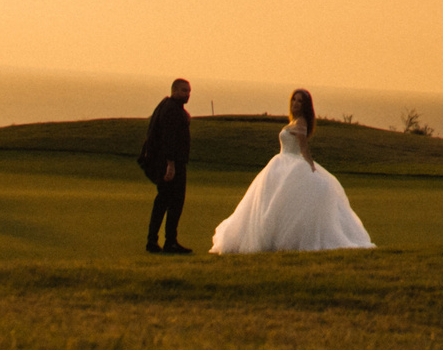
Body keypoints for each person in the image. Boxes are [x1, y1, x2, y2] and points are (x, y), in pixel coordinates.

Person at [210, 87, 375, 254]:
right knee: (270, 203)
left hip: (292, 162)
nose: (296, 103)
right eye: (294, 100)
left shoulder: (301, 122)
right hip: (282, 162)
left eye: (300, 101)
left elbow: (303, 147)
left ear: (305, 106)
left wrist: (311, 166)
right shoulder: (294, 122)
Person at [140, 77, 194, 255]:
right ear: (175, 91)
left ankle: (154, 241)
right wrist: (171, 166)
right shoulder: (172, 110)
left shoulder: (170, 106)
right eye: (184, 91)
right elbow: (169, 140)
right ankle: (168, 241)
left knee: (163, 201)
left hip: (168, 162)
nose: (187, 94)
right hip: (171, 163)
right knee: (173, 202)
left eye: (189, 91)